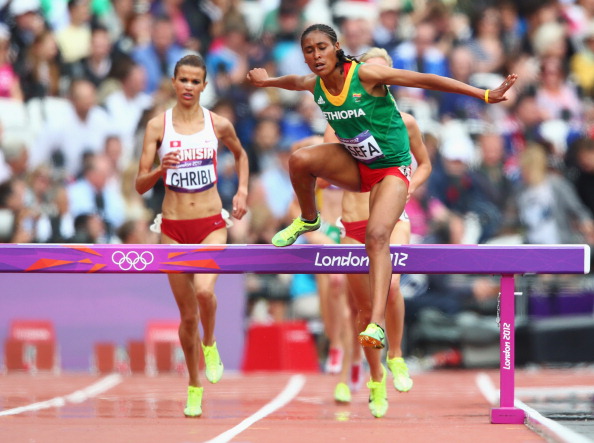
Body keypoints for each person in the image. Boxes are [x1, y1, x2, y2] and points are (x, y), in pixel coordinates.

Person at [247, 23, 516, 417]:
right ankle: (308, 219)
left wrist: (483, 93)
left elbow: (425, 79)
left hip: (390, 170)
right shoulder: (314, 83)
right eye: (309, 49)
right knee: (300, 159)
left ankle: (381, 333)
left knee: (378, 237)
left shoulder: (368, 75)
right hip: (359, 171)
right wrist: (266, 80)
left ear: (337, 48)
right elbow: (293, 81)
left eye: (322, 47)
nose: (316, 55)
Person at [135, 54, 249, 417]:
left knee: (204, 291)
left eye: (194, 81)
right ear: (173, 82)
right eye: (182, 80)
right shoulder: (157, 126)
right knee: (186, 318)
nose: (187, 87)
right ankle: (195, 383)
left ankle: (211, 342)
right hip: (172, 229)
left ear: (204, 86)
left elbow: (242, 155)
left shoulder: (217, 124)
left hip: (211, 224)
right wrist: (158, 170)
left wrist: (242, 191)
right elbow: (139, 184)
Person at [329, 48, 432, 413]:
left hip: (391, 221)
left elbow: (424, 164)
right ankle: (375, 379)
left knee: (389, 288)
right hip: (352, 224)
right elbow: (327, 166)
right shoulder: (339, 119)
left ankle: (398, 355)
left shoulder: (405, 122)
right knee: (362, 310)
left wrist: (407, 186)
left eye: (384, 74)